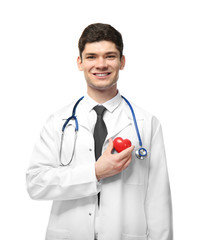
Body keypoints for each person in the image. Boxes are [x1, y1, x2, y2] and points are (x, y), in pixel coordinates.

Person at [26, 23, 173, 240]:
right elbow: (36, 184)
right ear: (80, 62)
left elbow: (158, 200)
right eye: (92, 56)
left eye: (110, 56)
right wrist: (95, 172)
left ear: (122, 62)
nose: (101, 64)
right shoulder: (58, 122)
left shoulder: (146, 123)